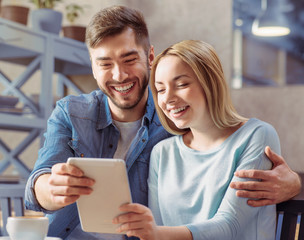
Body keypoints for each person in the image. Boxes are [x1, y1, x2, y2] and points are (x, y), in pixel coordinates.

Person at [24, 5, 301, 240]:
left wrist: (295, 185)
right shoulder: (71, 112)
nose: (119, 75)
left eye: (129, 58)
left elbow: (222, 138)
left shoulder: (175, 125)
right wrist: (51, 188)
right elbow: (38, 183)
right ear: (93, 67)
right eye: (105, 63)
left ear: (150, 57)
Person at [113, 40, 279, 240]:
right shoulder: (162, 152)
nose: (167, 99)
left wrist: (156, 233)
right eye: (161, 89)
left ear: (210, 83)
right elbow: (156, 229)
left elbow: (230, 226)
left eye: (181, 84)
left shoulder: (257, 135)